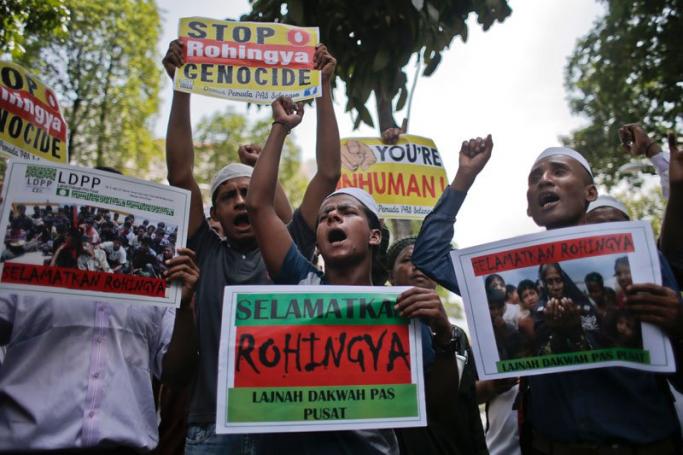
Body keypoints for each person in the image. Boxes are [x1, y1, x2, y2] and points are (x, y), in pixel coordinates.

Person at [412, 137, 683, 453]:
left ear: (590, 194)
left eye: (558, 172)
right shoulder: (504, 273)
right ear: (530, 208)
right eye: (535, 177)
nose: (545, 180)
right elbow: (429, 255)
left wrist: (679, 323)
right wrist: (464, 178)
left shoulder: (639, 261)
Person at [246, 95, 454, 453]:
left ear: (374, 235)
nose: (332, 218)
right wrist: (280, 127)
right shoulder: (302, 281)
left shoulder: (401, 310)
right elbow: (258, 205)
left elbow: (436, 405)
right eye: (325, 215)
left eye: (346, 212)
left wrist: (444, 334)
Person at [162, 39, 341, 453]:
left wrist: (324, 89)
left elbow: (329, 174)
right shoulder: (204, 251)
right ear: (215, 213)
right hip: (210, 428)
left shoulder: (288, 250)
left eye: (248, 190)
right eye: (229, 196)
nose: (242, 201)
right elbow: (180, 173)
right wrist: (182, 87)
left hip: (283, 425)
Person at [386, 237, 487, 455]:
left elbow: (467, 404)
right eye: (408, 260)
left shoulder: (456, 335)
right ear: (390, 276)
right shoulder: (381, 333)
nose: (419, 266)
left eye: (426, 260)